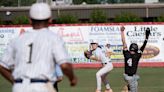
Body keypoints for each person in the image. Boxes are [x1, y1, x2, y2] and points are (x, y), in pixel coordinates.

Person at [0, 3, 77, 92]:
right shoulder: (53, 38)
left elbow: (2, 66)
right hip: (42, 87)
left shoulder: (17, 39)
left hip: (19, 87)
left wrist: (15, 81)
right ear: (50, 20)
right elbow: (65, 66)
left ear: (30, 21)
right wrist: (72, 78)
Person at [120, 26, 150, 92]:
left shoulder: (126, 53)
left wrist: (122, 32)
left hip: (127, 76)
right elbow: (143, 46)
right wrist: (147, 37)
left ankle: (128, 88)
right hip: (131, 77)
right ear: (136, 49)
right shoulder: (137, 55)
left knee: (136, 79)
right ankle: (127, 89)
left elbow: (124, 42)